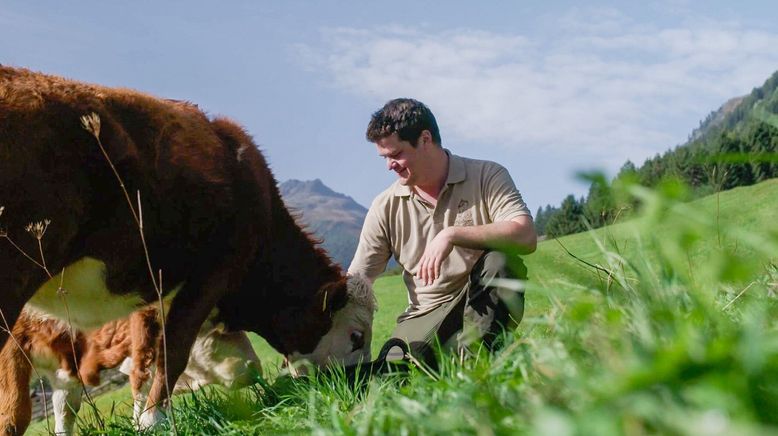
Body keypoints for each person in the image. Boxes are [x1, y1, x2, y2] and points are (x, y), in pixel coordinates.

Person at [348, 98, 537, 365]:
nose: (390, 165)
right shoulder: (384, 206)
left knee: (501, 261)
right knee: (393, 378)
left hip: (480, 300)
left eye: (396, 154)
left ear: (425, 139)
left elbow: (525, 235)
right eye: (385, 157)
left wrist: (451, 234)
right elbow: (358, 282)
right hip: (425, 313)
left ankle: (477, 370)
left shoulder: (486, 174)